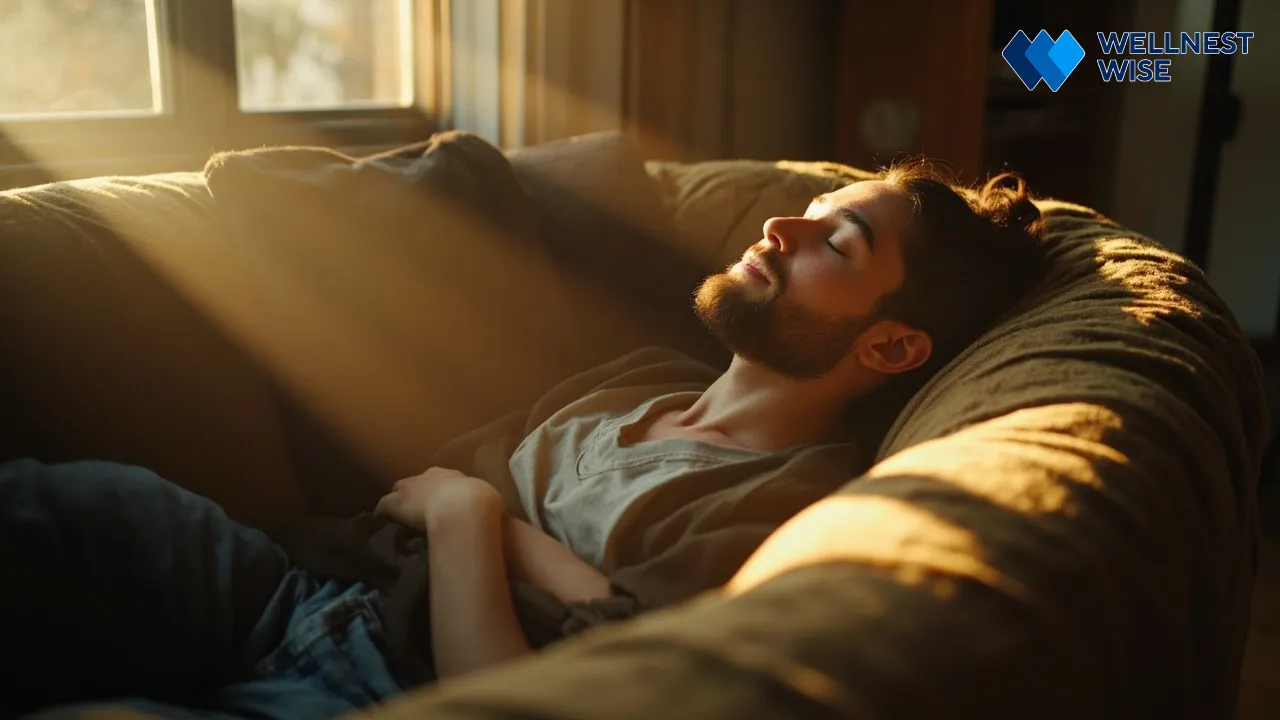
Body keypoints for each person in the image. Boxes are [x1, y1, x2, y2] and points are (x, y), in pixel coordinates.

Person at [2, 161, 1046, 719]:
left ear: (895, 345)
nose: (783, 228)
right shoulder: (634, 382)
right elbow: (410, 486)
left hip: (384, 686)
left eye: (837, 242)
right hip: (295, 585)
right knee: (63, 507)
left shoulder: (780, 506)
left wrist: (470, 518)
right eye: (808, 209)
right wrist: (541, 561)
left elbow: (507, 678)